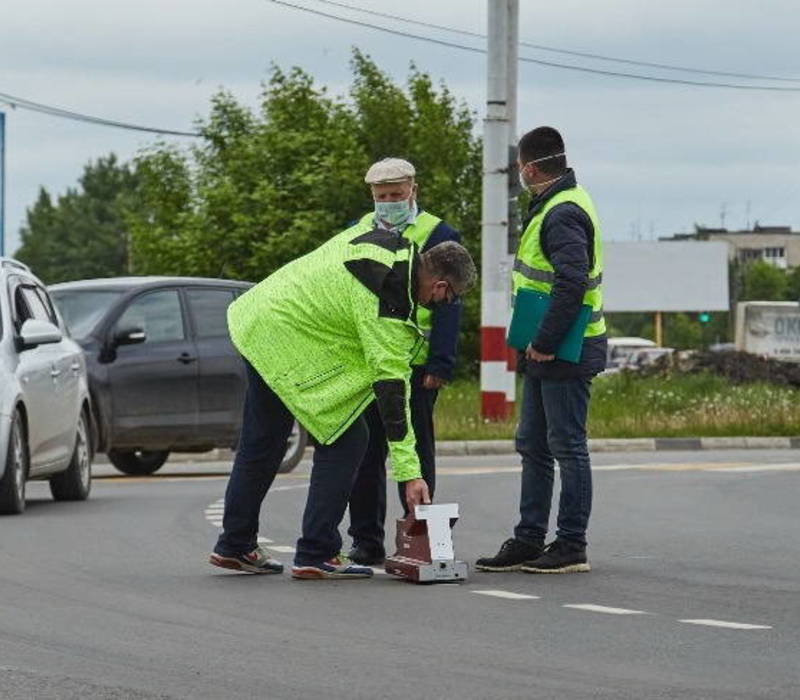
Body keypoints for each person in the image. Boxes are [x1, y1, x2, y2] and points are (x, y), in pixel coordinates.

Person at [208, 220, 477, 580]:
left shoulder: (387, 244)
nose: (442, 303)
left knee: (263, 441)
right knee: (349, 439)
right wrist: (412, 474)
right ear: (440, 284)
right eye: (449, 297)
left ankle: (235, 544)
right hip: (283, 338)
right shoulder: (390, 305)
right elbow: (393, 395)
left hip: (259, 318)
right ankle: (316, 552)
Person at [476, 126, 606, 575]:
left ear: (528, 167)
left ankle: (571, 544)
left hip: (564, 349)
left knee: (567, 446)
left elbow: (572, 282)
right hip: (545, 349)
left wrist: (546, 343)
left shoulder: (562, 212)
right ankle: (529, 539)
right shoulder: (557, 204)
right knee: (533, 443)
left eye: (519, 168)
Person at [346, 158, 464, 566]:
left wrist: (441, 363)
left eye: (397, 195)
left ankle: (419, 534)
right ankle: (365, 539)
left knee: (416, 452)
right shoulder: (358, 232)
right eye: (382, 197)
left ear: (413, 190)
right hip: (368, 363)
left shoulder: (437, 233)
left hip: (415, 365)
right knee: (366, 452)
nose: (389, 203)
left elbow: (450, 303)